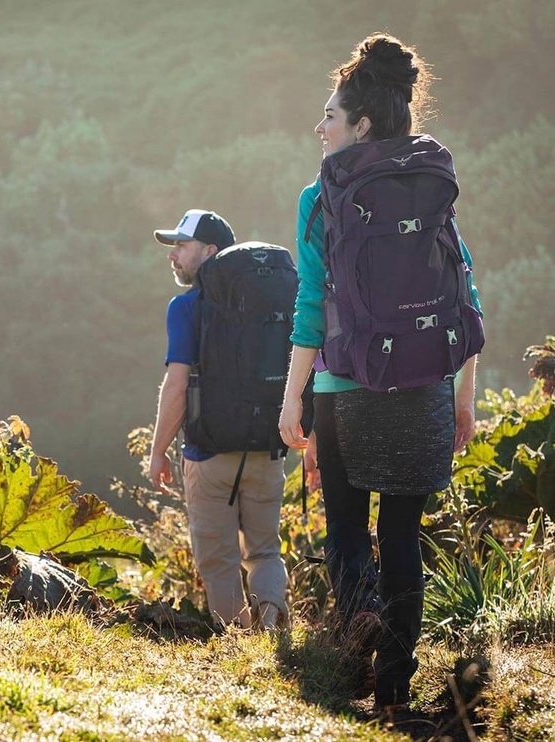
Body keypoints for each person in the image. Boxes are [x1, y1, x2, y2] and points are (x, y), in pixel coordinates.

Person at [278, 34, 483, 711]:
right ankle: (396, 684)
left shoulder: (321, 194)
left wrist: (292, 402)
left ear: (360, 123)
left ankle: (356, 640)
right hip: (425, 385)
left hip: (345, 391)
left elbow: (311, 306)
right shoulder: (429, 180)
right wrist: (463, 401)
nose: (320, 127)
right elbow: (465, 294)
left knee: (345, 527)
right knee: (401, 538)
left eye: (330, 116)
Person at [148, 208, 289, 631]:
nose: (173, 254)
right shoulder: (273, 303)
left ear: (210, 251)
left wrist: (158, 451)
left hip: (209, 454)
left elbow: (176, 387)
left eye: (182, 245)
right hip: (268, 447)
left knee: (218, 559)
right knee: (265, 550)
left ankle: (239, 646)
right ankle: (274, 629)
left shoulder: (187, 307)